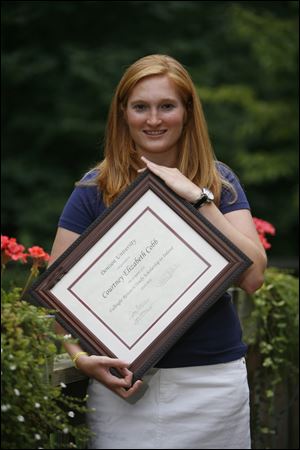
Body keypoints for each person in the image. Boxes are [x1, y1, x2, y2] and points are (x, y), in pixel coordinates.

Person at [49, 54, 267, 449]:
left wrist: (199, 198)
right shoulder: (93, 190)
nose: (153, 119)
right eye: (140, 107)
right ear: (123, 114)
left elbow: (253, 277)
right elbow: (52, 301)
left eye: (166, 106)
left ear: (187, 112)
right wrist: (80, 359)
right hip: (124, 390)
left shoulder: (219, 182)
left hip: (213, 384)